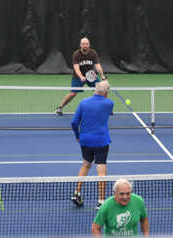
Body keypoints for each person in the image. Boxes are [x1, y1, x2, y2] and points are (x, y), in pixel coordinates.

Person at [70, 81, 113, 210]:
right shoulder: (109, 103)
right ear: (106, 92)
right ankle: (101, 201)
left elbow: (74, 122)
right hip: (101, 141)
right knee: (101, 170)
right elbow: (102, 102)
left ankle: (77, 193)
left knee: (86, 164)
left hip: (85, 140)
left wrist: (78, 136)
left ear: (95, 90)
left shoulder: (84, 102)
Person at [56, 37, 107, 116]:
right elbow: (76, 68)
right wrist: (81, 77)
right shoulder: (76, 54)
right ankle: (60, 107)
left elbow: (98, 66)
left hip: (91, 76)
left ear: (89, 45)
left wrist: (102, 75)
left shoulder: (93, 53)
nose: (85, 45)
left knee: (102, 90)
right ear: (80, 45)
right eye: (83, 44)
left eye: (87, 44)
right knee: (73, 93)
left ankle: (105, 108)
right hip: (78, 77)